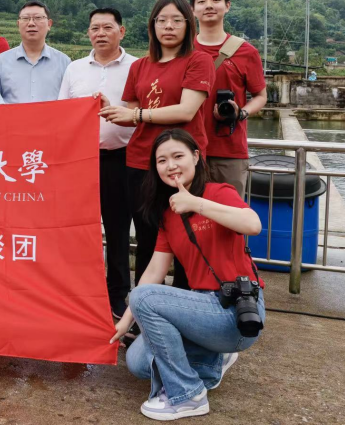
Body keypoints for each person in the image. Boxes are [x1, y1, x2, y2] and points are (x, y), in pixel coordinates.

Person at [111, 129, 265, 421]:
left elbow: (253, 224)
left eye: (178, 156)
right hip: (200, 309)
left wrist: (196, 204)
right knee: (138, 362)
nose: (170, 166)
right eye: (162, 160)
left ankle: (187, 395)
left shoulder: (218, 192)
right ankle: (212, 363)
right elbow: (154, 271)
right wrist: (127, 319)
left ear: (195, 157)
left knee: (144, 298)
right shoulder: (169, 214)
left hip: (236, 311)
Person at [98, 0, 214, 289]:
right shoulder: (139, 66)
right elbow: (131, 115)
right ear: (152, 26)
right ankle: (144, 304)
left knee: (187, 235)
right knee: (147, 238)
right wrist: (110, 109)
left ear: (188, 25)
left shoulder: (198, 60)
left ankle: (185, 301)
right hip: (140, 162)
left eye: (176, 20)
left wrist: (135, 114)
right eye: (161, 20)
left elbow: (186, 111)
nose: (168, 26)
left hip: (182, 164)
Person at [57, 8, 137, 318]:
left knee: (117, 230)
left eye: (107, 27)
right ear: (88, 33)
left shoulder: (137, 67)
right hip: (80, 161)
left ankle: (117, 296)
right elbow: (62, 113)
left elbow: (141, 113)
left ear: (122, 31)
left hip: (121, 158)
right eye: (95, 28)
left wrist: (112, 109)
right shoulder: (74, 68)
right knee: (78, 230)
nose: (100, 33)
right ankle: (79, 292)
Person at [191, 0, 267, 200]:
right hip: (187, 150)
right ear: (193, 9)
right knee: (188, 215)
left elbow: (260, 96)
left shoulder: (246, 52)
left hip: (230, 151)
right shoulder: (183, 50)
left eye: (215, 0)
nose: (209, 5)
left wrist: (241, 112)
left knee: (230, 213)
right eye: (202, 1)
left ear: (227, 6)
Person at [0, 1, 71, 103]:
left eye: (38, 18)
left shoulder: (64, 62)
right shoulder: (0, 62)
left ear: (49, 24)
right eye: (25, 18)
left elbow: (72, 102)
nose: (31, 23)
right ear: (18, 24)